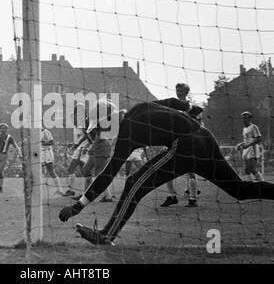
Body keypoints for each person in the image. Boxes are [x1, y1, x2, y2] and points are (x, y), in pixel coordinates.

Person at [59, 98, 274, 245]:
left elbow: (108, 173)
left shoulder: (126, 131)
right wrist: (190, 108)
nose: (99, 133)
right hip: (204, 137)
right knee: (239, 189)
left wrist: (79, 206)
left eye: (99, 129)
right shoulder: (139, 108)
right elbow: (173, 102)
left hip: (186, 145)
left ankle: (106, 236)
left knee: (134, 182)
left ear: (108, 121)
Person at [160, 83, 201, 208]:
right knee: (166, 170)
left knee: (190, 171)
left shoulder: (192, 108)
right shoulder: (173, 107)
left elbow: (198, 125)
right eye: (177, 90)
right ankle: (172, 196)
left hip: (187, 143)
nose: (178, 92)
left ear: (186, 92)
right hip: (173, 142)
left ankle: (193, 198)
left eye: (181, 90)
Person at [71, 99, 117, 203]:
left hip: (102, 146)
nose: (76, 115)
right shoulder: (83, 123)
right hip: (97, 146)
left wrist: (92, 147)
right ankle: (86, 195)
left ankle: (108, 196)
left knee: (98, 173)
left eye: (78, 113)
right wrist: (77, 144)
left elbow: (99, 135)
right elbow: (88, 136)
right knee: (86, 170)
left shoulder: (91, 120)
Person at [0, 123, 21, 193]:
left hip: (4, 155)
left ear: (7, 129)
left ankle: (1, 186)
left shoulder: (9, 137)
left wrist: (19, 152)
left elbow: (15, 145)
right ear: (0, 129)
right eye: (2, 128)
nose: (3, 129)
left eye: (5, 128)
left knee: (0, 171)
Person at [236, 111, 264, 182]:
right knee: (247, 170)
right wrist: (241, 144)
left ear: (249, 119)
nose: (243, 120)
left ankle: (262, 182)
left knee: (252, 169)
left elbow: (259, 138)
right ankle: (250, 184)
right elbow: (246, 140)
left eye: (245, 118)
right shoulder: (244, 129)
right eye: (243, 118)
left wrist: (248, 145)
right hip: (246, 150)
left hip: (252, 150)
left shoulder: (254, 127)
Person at [41, 127, 65, 196]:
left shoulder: (45, 131)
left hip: (47, 153)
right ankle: (40, 191)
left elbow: (52, 142)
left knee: (51, 171)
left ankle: (60, 190)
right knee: (40, 171)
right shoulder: (35, 132)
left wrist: (42, 143)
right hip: (40, 153)